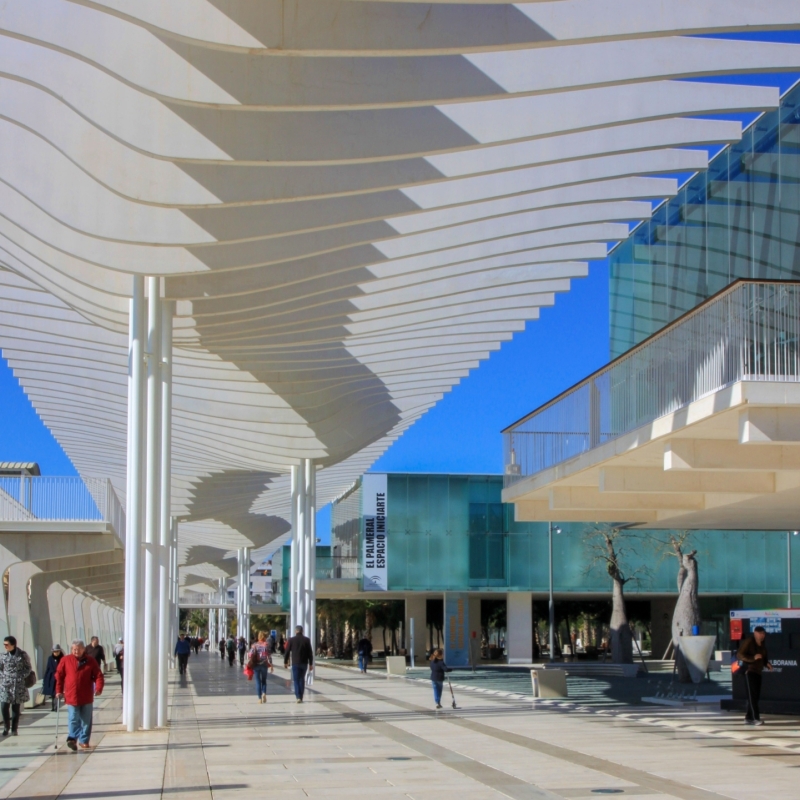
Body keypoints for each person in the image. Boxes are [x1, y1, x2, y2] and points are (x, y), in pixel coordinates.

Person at [55, 639, 104, 751]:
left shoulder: (90, 661)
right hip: (72, 695)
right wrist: (58, 690)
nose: (76, 651)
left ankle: (84, 740)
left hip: (86, 695)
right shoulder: (65, 660)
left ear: (83, 649)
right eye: (74, 649)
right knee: (73, 718)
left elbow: (98, 676)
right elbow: (59, 676)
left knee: (86, 720)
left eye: (78, 649)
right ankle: (72, 738)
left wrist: (98, 688)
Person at [737, 625, 773, 726]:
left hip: (758, 672)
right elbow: (740, 654)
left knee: (755, 696)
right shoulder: (749, 641)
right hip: (749, 671)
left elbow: (763, 657)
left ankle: (748, 717)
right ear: (755, 633)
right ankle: (755, 718)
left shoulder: (762, 644)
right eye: (761, 633)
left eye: (764, 634)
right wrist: (753, 658)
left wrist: (767, 663)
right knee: (752, 696)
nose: (762, 636)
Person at [0, 636, 32, 735]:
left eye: (7, 644)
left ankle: (14, 729)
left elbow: (28, 668)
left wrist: (21, 676)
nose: (5, 646)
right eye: (4, 644)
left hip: (18, 685)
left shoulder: (22, 655)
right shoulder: (3, 655)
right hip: (6, 684)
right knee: (4, 705)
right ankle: (6, 727)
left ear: (13, 644)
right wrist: (3, 677)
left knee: (15, 707)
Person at [283, 625, 314, 703]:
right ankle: (301, 696)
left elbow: (287, 651)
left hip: (295, 663)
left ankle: (298, 697)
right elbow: (310, 653)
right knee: (302, 679)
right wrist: (310, 663)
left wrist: (285, 662)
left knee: (296, 680)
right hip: (304, 663)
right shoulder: (307, 640)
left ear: (295, 631)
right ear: (302, 631)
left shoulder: (291, 640)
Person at [248, 632, 273, 704]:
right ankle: (264, 693)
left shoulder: (254, 645)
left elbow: (250, 655)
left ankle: (259, 698)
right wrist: (271, 665)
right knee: (264, 680)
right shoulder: (266, 645)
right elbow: (269, 656)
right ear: (264, 637)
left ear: (258, 637)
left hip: (256, 665)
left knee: (258, 681)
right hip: (264, 664)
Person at [43, 644, 65, 712]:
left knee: (57, 692)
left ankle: (56, 706)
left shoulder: (62, 658)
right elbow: (48, 668)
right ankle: (53, 706)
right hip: (51, 677)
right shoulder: (50, 658)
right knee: (52, 693)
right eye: (55, 651)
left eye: (57, 651)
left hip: (59, 677)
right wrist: (45, 678)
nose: (56, 653)